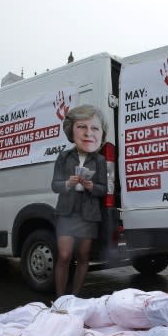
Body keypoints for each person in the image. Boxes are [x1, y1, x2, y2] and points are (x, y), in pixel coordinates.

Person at [51, 104, 108, 296]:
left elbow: (103, 189)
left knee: (83, 257)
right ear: (72, 130)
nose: (87, 133)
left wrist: (91, 186)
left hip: (88, 214)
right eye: (81, 127)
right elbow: (54, 185)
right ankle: (60, 299)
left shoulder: (99, 160)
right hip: (67, 211)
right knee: (65, 255)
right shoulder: (64, 157)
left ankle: (73, 297)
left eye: (93, 128)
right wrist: (67, 183)